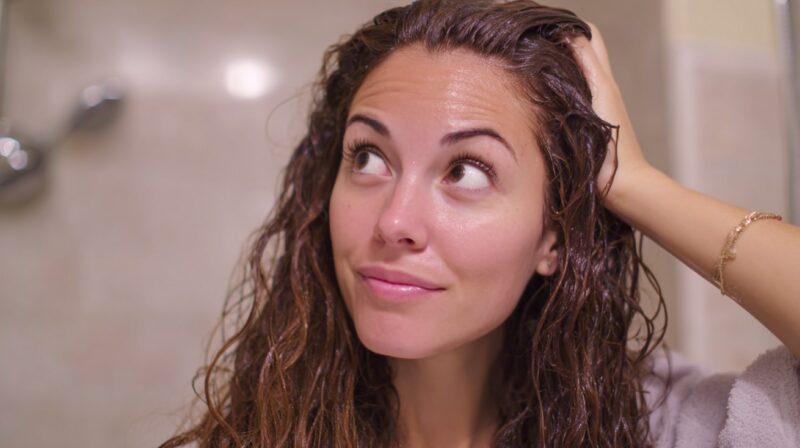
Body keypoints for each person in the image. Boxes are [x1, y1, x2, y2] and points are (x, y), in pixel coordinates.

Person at [161, 1, 800, 447]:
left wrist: (634, 184)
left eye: (466, 170)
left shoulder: (659, 425)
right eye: (368, 157)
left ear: (554, 237)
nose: (395, 221)